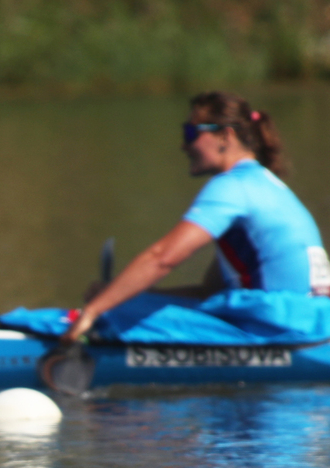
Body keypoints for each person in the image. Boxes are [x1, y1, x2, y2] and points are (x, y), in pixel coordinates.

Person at [61, 91, 330, 344]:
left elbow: (163, 258)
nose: (183, 145)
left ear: (225, 136)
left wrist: (95, 310)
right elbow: (208, 293)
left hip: (279, 327)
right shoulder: (269, 184)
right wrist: (119, 297)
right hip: (310, 321)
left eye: (190, 133)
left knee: (106, 317)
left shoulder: (231, 187)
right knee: (122, 306)